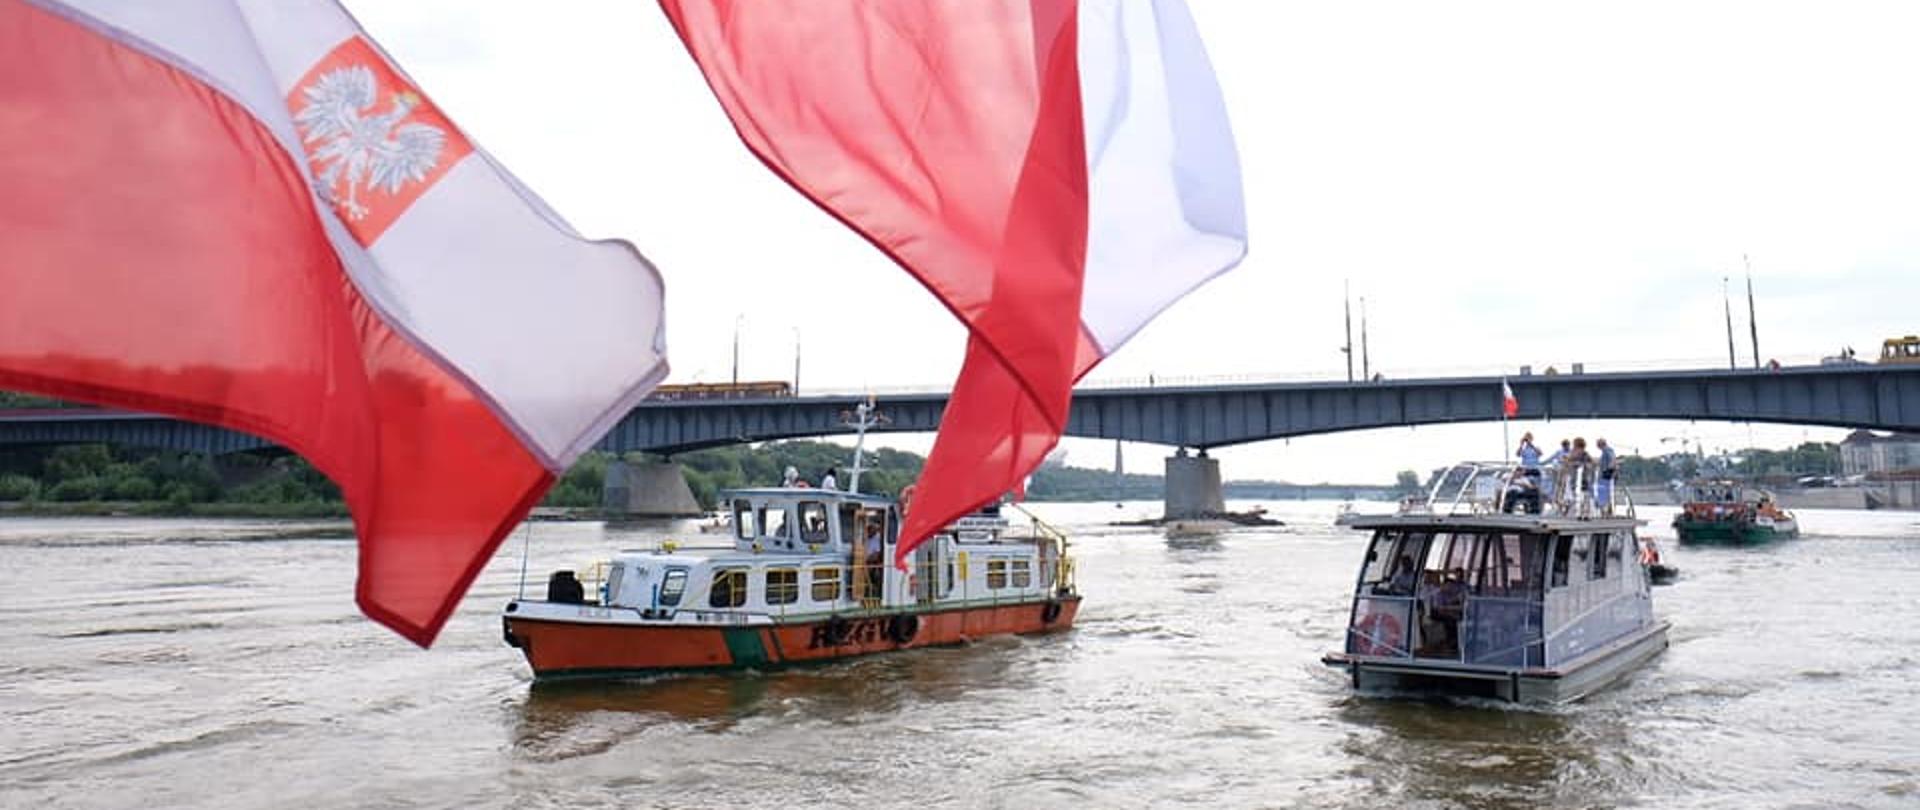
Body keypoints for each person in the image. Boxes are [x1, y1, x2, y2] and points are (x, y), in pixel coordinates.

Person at [1430, 569, 1469, 652]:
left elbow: (1453, 604)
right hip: (1436, 613)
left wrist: (1453, 607)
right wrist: (1451, 609)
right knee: (1450, 620)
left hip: (1446, 612)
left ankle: (1457, 642)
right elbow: (1439, 608)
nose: (1450, 588)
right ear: (1444, 585)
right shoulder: (1439, 593)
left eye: (1451, 586)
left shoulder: (1450, 594)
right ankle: (1451, 643)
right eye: (1448, 586)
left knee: (1456, 617)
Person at [1594, 438, 1618, 514]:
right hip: (1605, 475)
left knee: (1605, 493)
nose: (1597, 446)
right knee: (1605, 492)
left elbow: (1612, 460)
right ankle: (1606, 509)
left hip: (1606, 476)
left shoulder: (1607, 450)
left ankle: (1607, 510)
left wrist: (1609, 470)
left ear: (1601, 444)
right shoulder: (1605, 451)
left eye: (1597, 444)